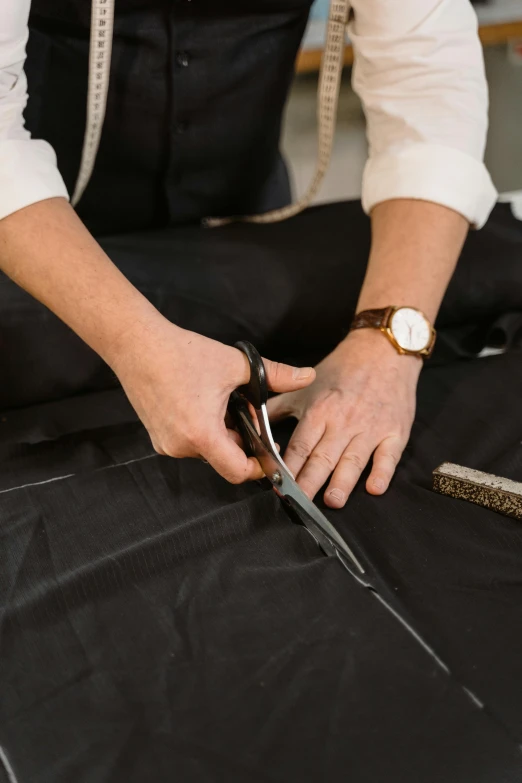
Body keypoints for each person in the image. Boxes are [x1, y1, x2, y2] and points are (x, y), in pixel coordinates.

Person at [0, 0, 496, 508]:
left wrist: (389, 344)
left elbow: (428, 87)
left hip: (243, 223)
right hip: (45, 238)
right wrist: (135, 342)